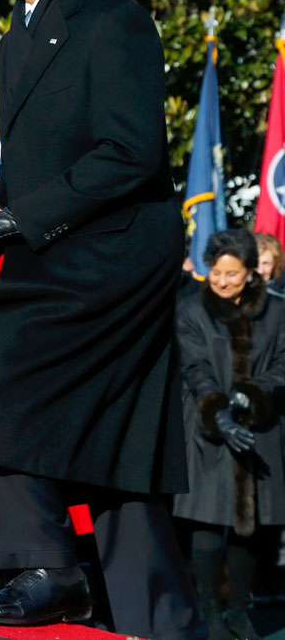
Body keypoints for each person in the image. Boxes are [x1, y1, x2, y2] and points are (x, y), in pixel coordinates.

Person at [0, 0, 202, 639]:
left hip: (112, 258)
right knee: (120, 461)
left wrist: (16, 218)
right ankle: (162, 625)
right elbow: (34, 167)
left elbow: (130, 153)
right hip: (58, 247)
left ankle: (48, 569)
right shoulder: (20, 32)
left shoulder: (112, 20)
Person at [173, 230, 285, 640]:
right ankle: (210, 613)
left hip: (261, 426)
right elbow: (195, 368)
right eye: (216, 272)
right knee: (206, 521)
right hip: (209, 430)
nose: (222, 282)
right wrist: (219, 413)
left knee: (250, 526)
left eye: (232, 274)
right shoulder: (191, 310)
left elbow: (283, 365)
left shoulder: (277, 311)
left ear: (252, 272)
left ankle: (239, 610)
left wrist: (251, 395)